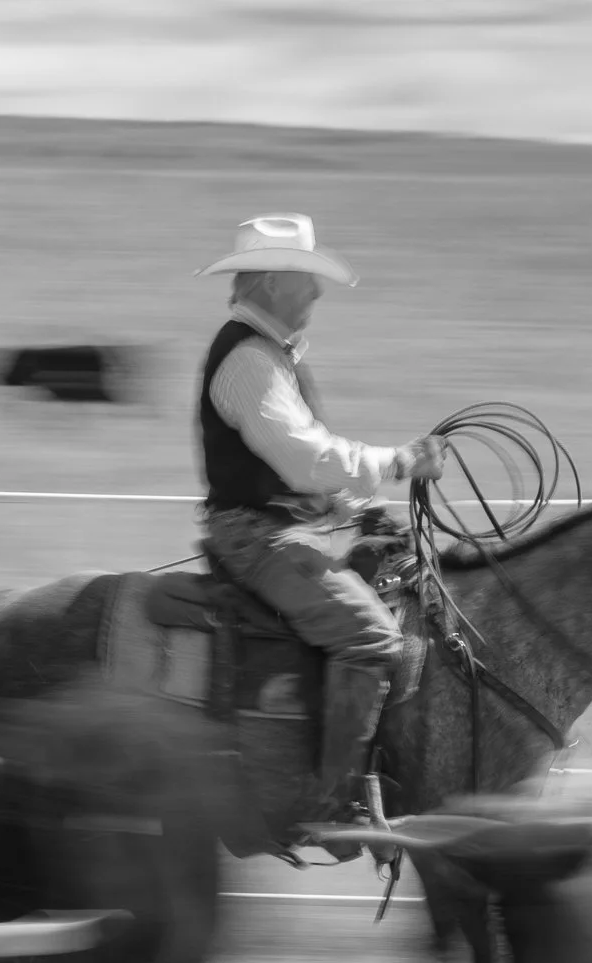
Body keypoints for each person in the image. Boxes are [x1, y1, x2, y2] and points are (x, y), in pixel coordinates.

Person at [193, 213, 445, 840]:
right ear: (275, 281)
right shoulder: (251, 361)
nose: (317, 292)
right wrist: (397, 462)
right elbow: (304, 458)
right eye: (307, 279)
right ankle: (328, 805)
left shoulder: (266, 355)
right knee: (372, 638)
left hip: (272, 530)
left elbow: (294, 472)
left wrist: (351, 509)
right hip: (258, 541)